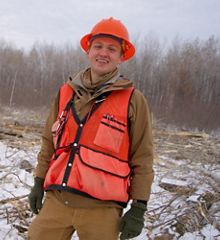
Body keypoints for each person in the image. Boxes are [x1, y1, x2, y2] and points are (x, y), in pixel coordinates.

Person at [28, 17, 154, 240]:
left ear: (121, 56)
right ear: (88, 50)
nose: (103, 53)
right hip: (58, 200)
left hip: (103, 210)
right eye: (98, 46)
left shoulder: (133, 100)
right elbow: (49, 141)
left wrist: (139, 207)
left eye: (112, 49)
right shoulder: (65, 92)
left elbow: (142, 157)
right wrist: (38, 181)